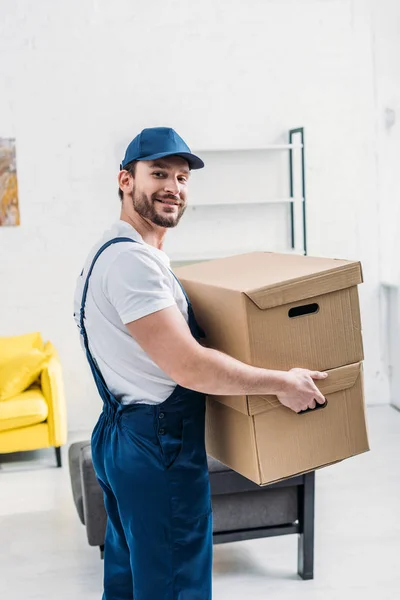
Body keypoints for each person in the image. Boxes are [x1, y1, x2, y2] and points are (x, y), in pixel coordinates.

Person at [73, 126, 327, 600]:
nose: (174, 187)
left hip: (123, 433)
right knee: (175, 585)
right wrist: (279, 382)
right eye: (159, 174)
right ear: (125, 180)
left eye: (183, 177)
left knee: (132, 582)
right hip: (158, 442)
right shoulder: (133, 264)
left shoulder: (114, 254)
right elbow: (188, 367)